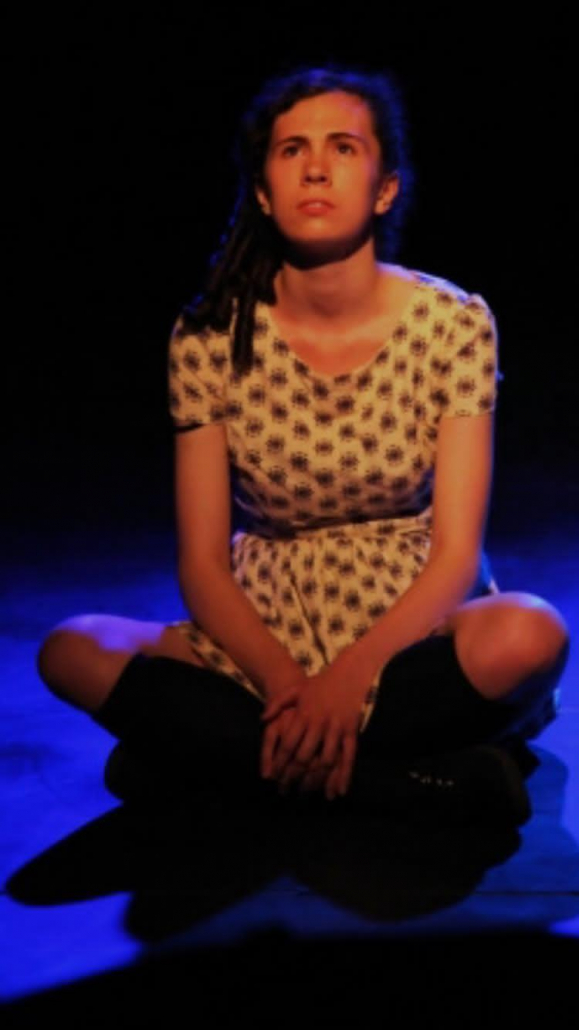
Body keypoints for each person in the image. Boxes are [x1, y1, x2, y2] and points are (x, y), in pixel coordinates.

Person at [36, 64, 570, 825]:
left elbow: (455, 555)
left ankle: (214, 763)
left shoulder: (452, 323)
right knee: (71, 650)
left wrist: (350, 679)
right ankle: (405, 778)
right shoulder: (210, 335)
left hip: (406, 618)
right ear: (263, 191)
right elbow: (202, 563)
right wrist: (290, 684)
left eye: (343, 148)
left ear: (384, 187)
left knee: (531, 632)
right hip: (265, 624)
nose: (315, 168)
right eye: (292, 151)